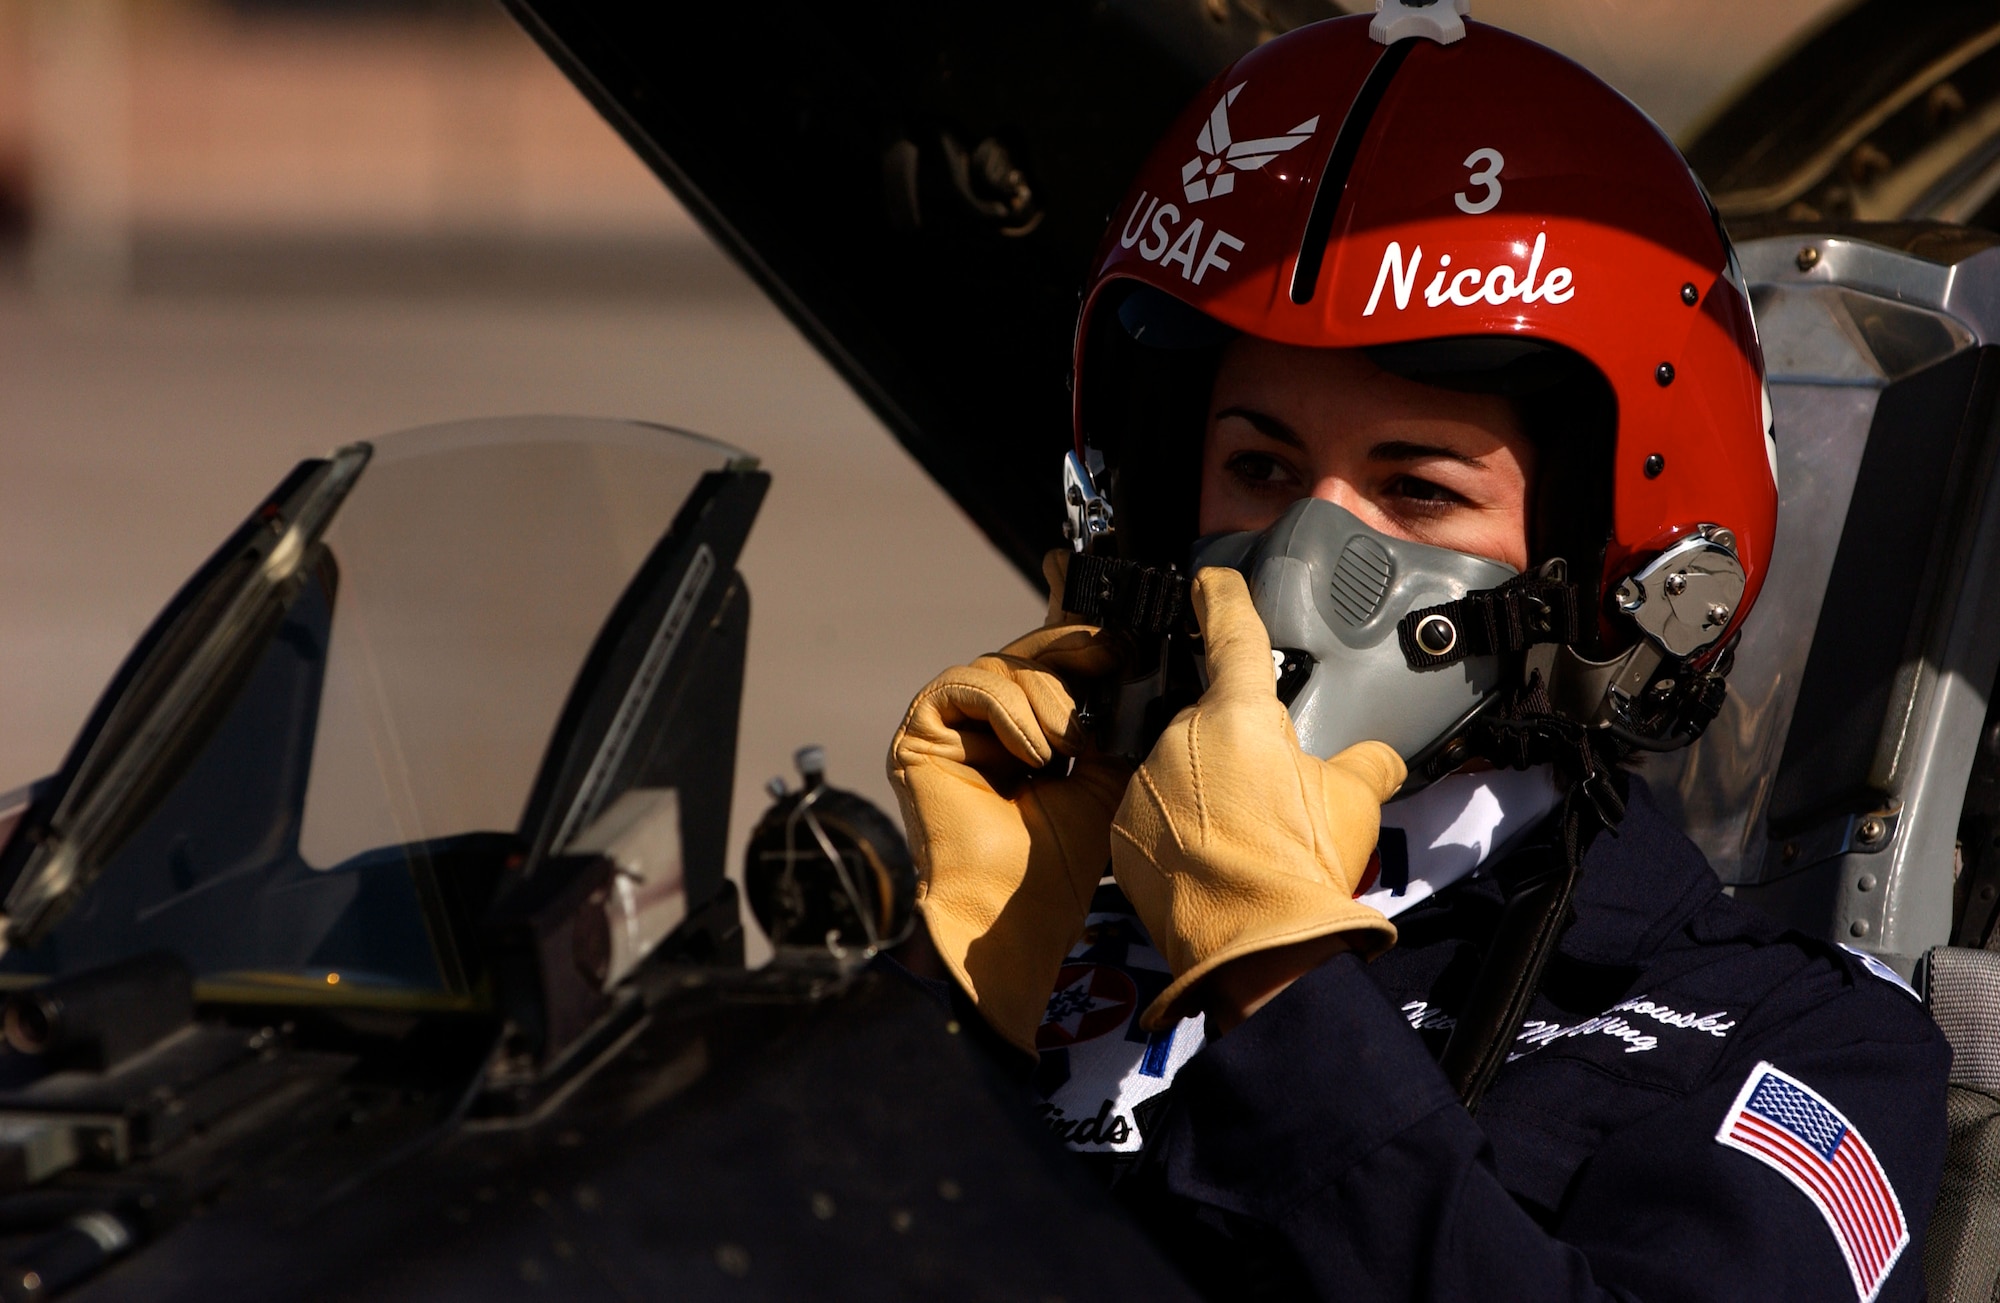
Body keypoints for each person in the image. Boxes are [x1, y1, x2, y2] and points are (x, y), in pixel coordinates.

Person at [887, 9, 1948, 1301]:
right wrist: (948, 1009)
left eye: (1421, 488)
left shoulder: (1797, 1040)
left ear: (1618, 567)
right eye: (1262, 469)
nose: (1301, 561)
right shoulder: (1060, 912)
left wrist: (1279, 980)